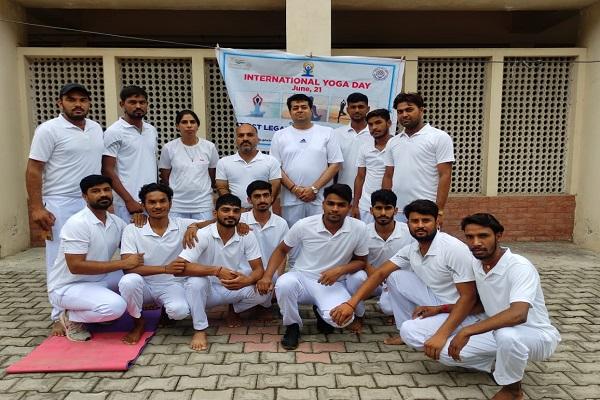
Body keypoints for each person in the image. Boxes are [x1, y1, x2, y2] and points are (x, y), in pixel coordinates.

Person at [331, 199, 483, 361]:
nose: (420, 225)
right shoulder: (413, 249)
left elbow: (469, 298)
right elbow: (380, 273)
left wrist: (441, 334)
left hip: (464, 311)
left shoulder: (452, 249)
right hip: (437, 300)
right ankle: (409, 331)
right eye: (414, 221)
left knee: (410, 331)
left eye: (426, 220)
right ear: (407, 222)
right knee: (396, 276)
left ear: (437, 221)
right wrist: (350, 304)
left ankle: (465, 339)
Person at [444, 214, 561, 400]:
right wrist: (439, 309)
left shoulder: (519, 266)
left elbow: (518, 315)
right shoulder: (477, 264)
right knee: (446, 353)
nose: (476, 242)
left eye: (483, 236)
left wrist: (466, 331)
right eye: (469, 237)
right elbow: (478, 303)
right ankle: (502, 363)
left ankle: (512, 390)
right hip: (497, 330)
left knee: (508, 337)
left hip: (536, 335)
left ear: (498, 235)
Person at [26, 82, 105, 336]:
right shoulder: (48, 130)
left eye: (83, 99)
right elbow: (34, 169)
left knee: (92, 255)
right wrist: (37, 207)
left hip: (91, 201)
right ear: (60, 102)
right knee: (59, 258)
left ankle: (82, 307)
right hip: (60, 202)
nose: (78, 104)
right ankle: (57, 314)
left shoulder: (95, 128)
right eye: (71, 99)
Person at [257, 184, 368, 350]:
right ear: (323, 204)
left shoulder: (359, 228)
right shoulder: (304, 224)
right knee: (284, 284)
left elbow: (361, 261)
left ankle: (321, 313)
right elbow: (281, 250)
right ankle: (292, 326)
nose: (335, 209)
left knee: (341, 320)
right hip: (303, 279)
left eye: (341, 205)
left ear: (349, 207)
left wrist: (340, 270)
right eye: (330, 203)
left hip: (332, 283)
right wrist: (267, 276)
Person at [47, 175, 142, 342]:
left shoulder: (116, 222)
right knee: (115, 307)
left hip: (98, 279)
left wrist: (143, 221)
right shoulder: (78, 223)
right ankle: (71, 317)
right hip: (68, 287)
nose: (103, 194)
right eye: (95, 191)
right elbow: (76, 266)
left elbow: (135, 245)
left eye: (106, 190)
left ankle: (95, 311)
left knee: (136, 279)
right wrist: (123, 263)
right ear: (85, 196)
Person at [176, 194, 270, 351]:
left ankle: (233, 310)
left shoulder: (246, 234)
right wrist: (216, 271)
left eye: (235, 211)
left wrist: (246, 281)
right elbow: (180, 267)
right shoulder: (203, 234)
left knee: (265, 292)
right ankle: (200, 329)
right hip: (207, 290)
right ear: (215, 213)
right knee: (195, 282)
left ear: (240, 214)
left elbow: (259, 269)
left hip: (233, 286)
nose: (231, 215)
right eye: (225, 210)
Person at [118, 183, 203, 345]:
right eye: (152, 202)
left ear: (170, 203)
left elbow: (214, 221)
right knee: (128, 282)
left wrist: (194, 225)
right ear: (143, 205)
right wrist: (165, 268)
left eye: (162, 201)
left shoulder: (182, 224)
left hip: (172, 285)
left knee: (179, 312)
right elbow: (128, 269)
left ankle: (165, 310)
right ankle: (138, 322)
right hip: (144, 285)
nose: (158, 206)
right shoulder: (132, 229)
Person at [270, 94, 343, 227]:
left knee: (319, 237)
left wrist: (314, 189)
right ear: (290, 112)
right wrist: (294, 189)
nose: (299, 110)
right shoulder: (279, 135)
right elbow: (275, 167)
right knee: (293, 240)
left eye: (304, 107)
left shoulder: (327, 132)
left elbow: (335, 164)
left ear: (311, 110)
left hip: (320, 199)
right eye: (295, 108)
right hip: (291, 199)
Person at [382, 93, 454, 223]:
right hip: (397, 211)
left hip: (426, 211)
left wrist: (440, 210)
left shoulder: (439, 137)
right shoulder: (393, 142)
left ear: (421, 110)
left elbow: (445, 175)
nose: (404, 114)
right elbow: (388, 175)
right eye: (400, 111)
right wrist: (386, 206)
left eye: (409, 110)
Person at [345, 189, 413, 322]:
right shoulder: (363, 231)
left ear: (395, 210)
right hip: (371, 280)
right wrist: (373, 273)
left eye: (388, 208)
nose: (383, 213)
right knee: (355, 279)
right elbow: (355, 258)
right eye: (378, 208)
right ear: (371, 210)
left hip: (396, 281)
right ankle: (359, 315)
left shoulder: (408, 232)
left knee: (388, 308)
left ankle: (396, 311)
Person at [102, 85, 158, 223]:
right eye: (132, 102)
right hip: (127, 203)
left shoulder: (151, 130)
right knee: (129, 242)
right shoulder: (114, 132)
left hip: (151, 200)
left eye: (142, 102)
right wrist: (129, 200)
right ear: (122, 104)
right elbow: (107, 170)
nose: (138, 106)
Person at [239, 180, 289, 314]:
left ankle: (260, 302)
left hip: (268, 272)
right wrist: (193, 226)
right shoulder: (240, 220)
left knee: (271, 288)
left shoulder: (281, 223)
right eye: (257, 196)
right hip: (244, 271)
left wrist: (277, 278)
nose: (262, 199)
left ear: (272, 198)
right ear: (249, 200)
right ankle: (233, 308)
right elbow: (214, 225)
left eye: (266, 195)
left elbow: (282, 254)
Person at [159, 110, 219, 220]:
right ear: (177, 126)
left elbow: (213, 174)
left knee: (203, 236)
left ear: (197, 126)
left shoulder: (209, 147)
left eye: (192, 122)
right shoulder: (169, 148)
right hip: (177, 205)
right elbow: (165, 176)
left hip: (203, 204)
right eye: (184, 122)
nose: (189, 126)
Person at [216, 124, 281, 210]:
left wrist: (259, 208)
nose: (245, 138)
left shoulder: (271, 161)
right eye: (241, 135)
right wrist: (236, 208)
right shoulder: (223, 162)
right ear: (236, 140)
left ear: (258, 139)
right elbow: (222, 187)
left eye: (250, 135)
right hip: (235, 214)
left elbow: (275, 188)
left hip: (263, 213)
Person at [352, 109, 393, 223]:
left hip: (391, 205)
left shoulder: (398, 145)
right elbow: (360, 177)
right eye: (370, 124)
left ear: (388, 123)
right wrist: (355, 205)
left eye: (378, 122)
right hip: (366, 205)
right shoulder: (365, 148)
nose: (374, 127)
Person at [333, 93, 372, 193]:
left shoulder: (375, 135)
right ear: (347, 110)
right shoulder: (336, 134)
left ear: (368, 109)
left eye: (361, 107)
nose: (357, 110)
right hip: (341, 193)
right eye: (353, 107)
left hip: (368, 194)